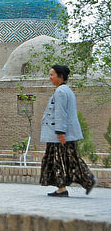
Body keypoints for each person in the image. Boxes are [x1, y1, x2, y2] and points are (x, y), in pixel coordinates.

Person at [40, 65, 97, 197]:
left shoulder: (60, 92)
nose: (50, 78)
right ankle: (75, 184)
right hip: (65, 133)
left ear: (60, 76)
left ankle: (67, 187)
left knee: (58, 160)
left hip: (61, 134)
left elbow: (60, 113)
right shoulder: (66, 90)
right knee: (68, 159)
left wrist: (60, 132)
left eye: (51, 75)